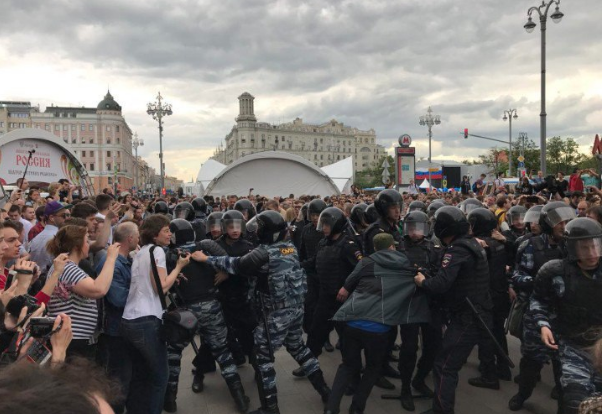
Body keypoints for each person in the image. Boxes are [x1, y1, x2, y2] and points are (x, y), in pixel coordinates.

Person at [193, 210, 331, 414]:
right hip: (295, 311)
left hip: (276, 316)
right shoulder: (289, 248)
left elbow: (238, 265)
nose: (256, 232)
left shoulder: (265, 252)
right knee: (299, 349)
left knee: (262, 358)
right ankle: (326, 392)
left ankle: (270, 408)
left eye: (260, 228)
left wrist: (206, 259)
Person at [326, 233, 431, 414]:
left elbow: (349, 281)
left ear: (375, 248)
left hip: (352, 322)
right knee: (372, 369)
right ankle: (357, 409)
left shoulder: (366, 262)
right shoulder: (405, 263)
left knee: (347, 366)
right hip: (378, 327)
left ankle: (331, 409)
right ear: (392, 246)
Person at [414, 206, 497, 414]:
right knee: (447, 363)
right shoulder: (471, 245)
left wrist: (423, 281)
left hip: (468, 316)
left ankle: (442, 410)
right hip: (476, 312)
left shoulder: (457, 250)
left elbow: (441, 284)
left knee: (445, 365)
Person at [164, 219, 250, 413]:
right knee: (223, 353)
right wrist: (223, 273)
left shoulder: (169, 255)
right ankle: (240, 398)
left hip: (185, 314)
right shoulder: (206, 248)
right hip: (212, 308)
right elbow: (226, 260)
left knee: (173, 355)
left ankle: (170, 400)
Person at [508, 201, 577, 411]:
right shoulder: (531, 245)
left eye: (567, 221)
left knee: (563, 362)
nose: (563, 225)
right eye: (559, 221)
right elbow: (518, 275)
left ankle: (561, 394)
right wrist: (542, 282)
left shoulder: (572, 244)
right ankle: (522, 394)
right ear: (548, 222)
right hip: (538, 314)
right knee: (531, 361)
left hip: (565, 314)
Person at [530, 218, 602, 414]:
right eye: (585, 248)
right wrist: (543, 325)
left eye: (595, 246)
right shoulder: (555, 272)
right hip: (572, 347)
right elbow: (538, 300)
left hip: (600, 349)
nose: (592, 253)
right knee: (573, 401)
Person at [120, 214, 191, 414]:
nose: (170, 234)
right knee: (160, 376)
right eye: (166, 230)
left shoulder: (141, 252)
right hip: (147, 320)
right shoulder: (157, 250)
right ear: (154, 234)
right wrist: (178, 267)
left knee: (140, 375)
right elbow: (161, 287)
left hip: (128, 320)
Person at [46, 225, 120, 359]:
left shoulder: (65, 266)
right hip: (72, 339)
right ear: (76, 246)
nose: (89, 244)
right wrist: (111, 259)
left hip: (73, 338)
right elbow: (99, 289)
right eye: (86, 241)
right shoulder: (68, 268)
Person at [397, 211, 443, 411]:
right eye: (412, 227)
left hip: (430, 303)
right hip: (408, 303)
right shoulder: (399, 247)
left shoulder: (435, 248)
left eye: (419, 228)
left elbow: (441, 273)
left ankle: (419, 378)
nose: (415, 232)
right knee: (408, 348)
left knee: (434, 346)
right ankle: (405, 388)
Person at [95, 222, 139, 414]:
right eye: (137, 235)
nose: (139, 239)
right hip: (115, 331)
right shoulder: (109, 262)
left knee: (127, 376)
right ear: (130, 238)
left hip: (125, 328)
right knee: (119, 379)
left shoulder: (126, 260)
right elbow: (118, 298)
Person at [467, 208, 513, 384]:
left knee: (485, 334)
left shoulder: (480, 246)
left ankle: (488, 374)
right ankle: (503, 368)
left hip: (485, 295)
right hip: (500, 293)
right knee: (498, 332)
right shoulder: (500, 242)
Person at [28, 201, 72, 278]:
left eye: (68, 215)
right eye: (64, 215)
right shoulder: (57, 237)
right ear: (52, 218)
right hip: (50, 280)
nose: (67, 218)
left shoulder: (37, 237)